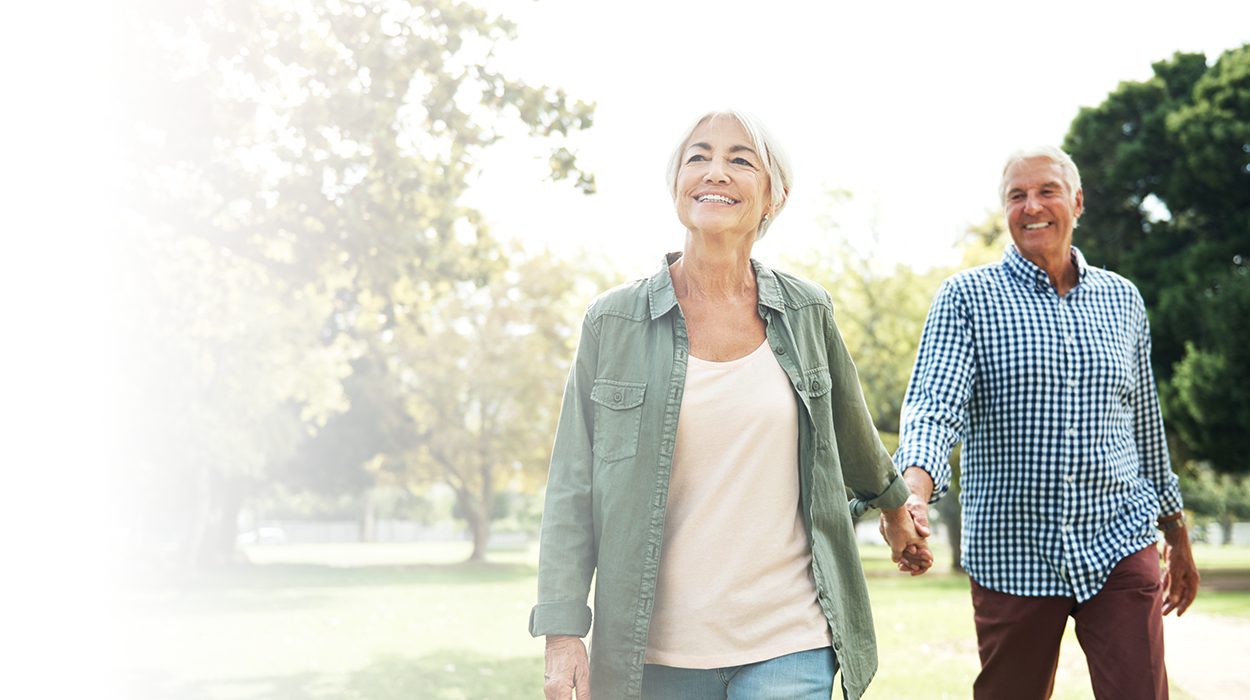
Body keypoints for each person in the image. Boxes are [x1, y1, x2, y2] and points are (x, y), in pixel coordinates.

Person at [529, 110, 932, 700]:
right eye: (698, 156)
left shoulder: (807, 312)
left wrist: (897, 511)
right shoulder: (612, 323)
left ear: (775, 197)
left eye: (741, 159)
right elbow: (571, 486)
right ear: (677, 187)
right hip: (655, 651)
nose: (715, 170)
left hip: (789, 639)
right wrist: (563, 635)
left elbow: (852, 434)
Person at [890, 145, 1200, 699]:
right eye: (1017, 196)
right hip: (1014, 550)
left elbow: (1146, 427)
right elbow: (934, 409)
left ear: (1077, 202)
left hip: (1119, 538)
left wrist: (1175, 529)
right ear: (1004, 209)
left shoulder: (1122, 300)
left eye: (1046, 191)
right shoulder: (967, 298)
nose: (1032, 206)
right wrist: (913, 491)